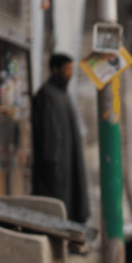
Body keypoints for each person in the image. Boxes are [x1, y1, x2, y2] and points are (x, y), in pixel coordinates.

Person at [32, 54, 90, 224]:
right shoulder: (46, 94)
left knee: (72, 199)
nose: (70, 73)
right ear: (55, 69)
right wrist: (53, 164)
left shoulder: (63, 94)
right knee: (58, 202)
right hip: (56, 166)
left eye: (72, 69)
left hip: (68, 160)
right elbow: (48, 133)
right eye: (67, 69)